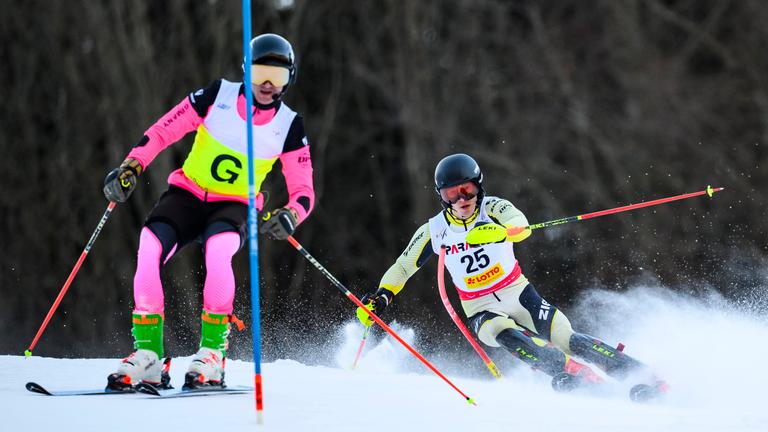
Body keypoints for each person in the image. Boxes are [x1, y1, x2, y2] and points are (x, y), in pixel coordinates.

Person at [356, 153, 667, 398]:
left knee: (565, 337)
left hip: (518, 293)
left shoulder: (494, 207)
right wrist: (382, 296)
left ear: (479, 186)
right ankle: (570, 372)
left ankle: (642, 375)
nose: (462, 200)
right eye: (452, 194)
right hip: (479, 306)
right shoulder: (434, 230)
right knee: (498, 330)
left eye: (467, 190)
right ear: (442, 196)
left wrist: (496, 231)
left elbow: (521, 225)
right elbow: (403, 265)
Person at [103, 33, 315, 390]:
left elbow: (304, 190)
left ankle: (213, 354)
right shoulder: (217, 96)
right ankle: (149, 356)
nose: (267, 84)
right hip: (188, 193)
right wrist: (131, 167)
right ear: (246, 71)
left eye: (277, 77)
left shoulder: (289, 125)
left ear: (289, 80)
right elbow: (162, 131)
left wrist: (291, 215)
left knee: (219, 253)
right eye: (261, 72)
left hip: (235, 205)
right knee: (149, 245)